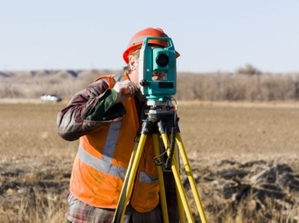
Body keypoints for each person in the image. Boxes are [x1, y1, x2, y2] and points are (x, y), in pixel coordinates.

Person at [57, 27, 180, 223]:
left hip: (145, 214)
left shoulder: (164, 106)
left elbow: (168, 173)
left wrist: (173, 217)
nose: (161, 67)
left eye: (166, 59)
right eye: (155, 58)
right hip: (95, 211)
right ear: (132, 62)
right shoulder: (106, 88)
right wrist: (112, 99)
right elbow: (65, 125)